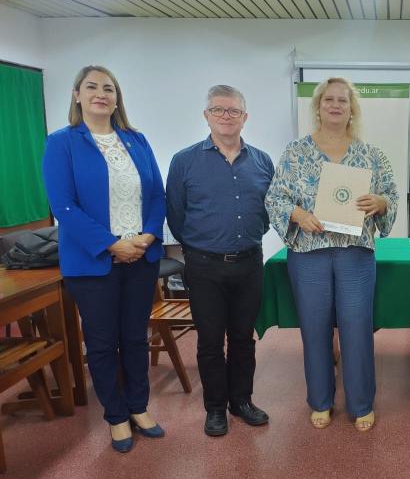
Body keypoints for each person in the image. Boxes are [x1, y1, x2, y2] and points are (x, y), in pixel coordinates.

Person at [42, 65, 166, 453]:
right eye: (92, 87)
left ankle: (139, 407)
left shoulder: (136, 139)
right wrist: (113, 244)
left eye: (108, 88)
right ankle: (115, 415)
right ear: (77, 95)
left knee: (134, 336)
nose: (101, 94)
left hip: (141, 257)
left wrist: (147, 236)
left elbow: (157, 196)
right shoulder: (62, 142)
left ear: (117, 98)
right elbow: (64, 206)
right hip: (93, 261)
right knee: (100, 341)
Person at [265, 77, 398, 432]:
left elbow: (391, 196)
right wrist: (299, 215)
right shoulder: (295, 153)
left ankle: (360, 402)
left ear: (352, 108)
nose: (336, 105)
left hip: (355, 253)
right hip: (309, 253)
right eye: (329, 100)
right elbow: (275, 198)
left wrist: (380, 202)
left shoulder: (371, 154)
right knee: (314, 327)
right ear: (318, 107)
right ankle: (320, 401)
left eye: (343, 100)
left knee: (357, 327)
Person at [166, 85, 274, 437]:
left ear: (245, 117)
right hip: (204, 265)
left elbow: (268, 214)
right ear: (206, 116)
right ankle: (215, 408)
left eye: (233, 111)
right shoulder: (184, 161)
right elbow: (175, 215)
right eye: (218, 109)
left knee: (244, 338)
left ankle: (241, 401)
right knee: (210, 341)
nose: (226, 116)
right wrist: (201, 246)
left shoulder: (262, 161)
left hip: (248, 262)